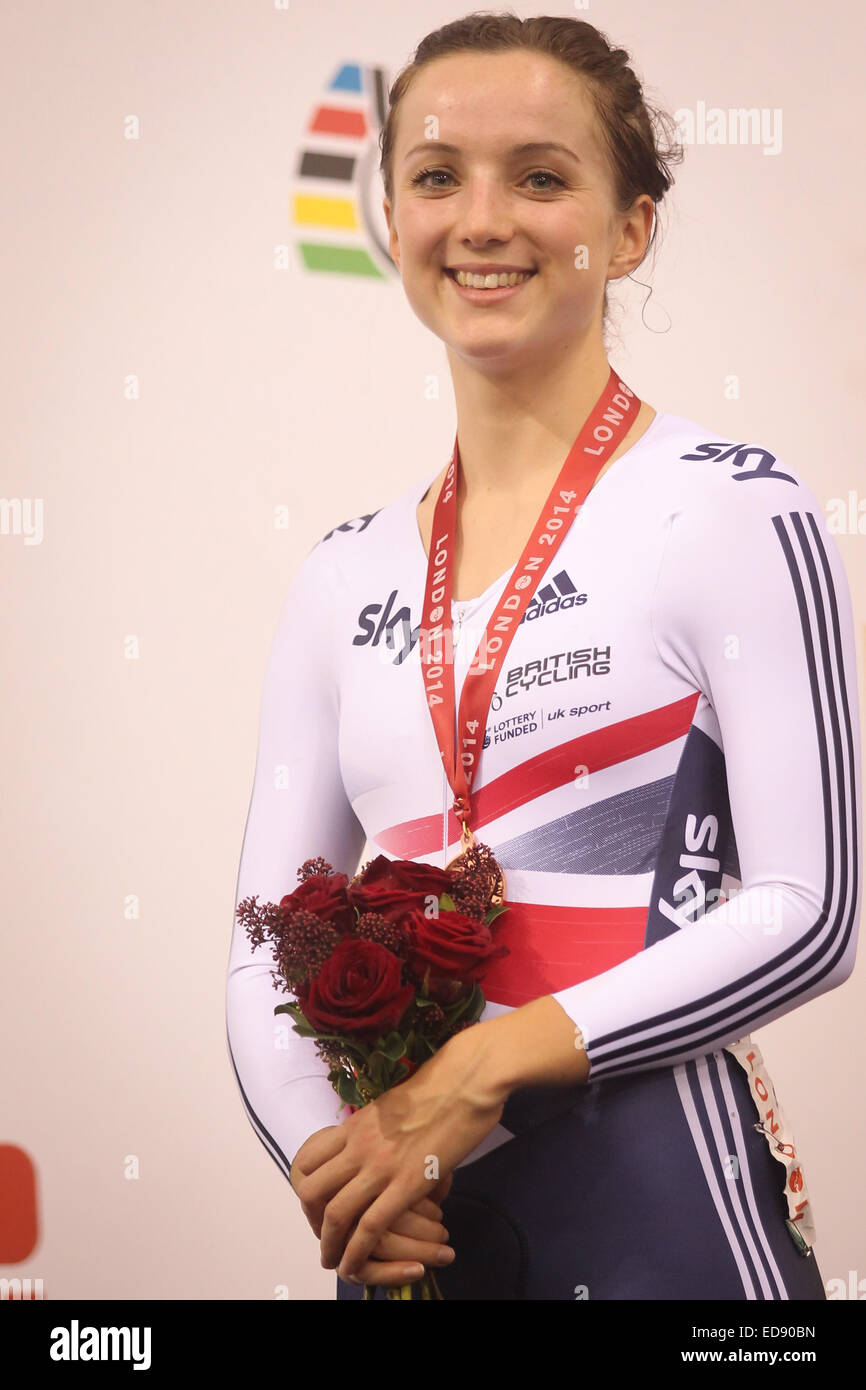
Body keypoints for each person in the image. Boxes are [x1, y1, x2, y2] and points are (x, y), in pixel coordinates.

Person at [225, 13, 861, 1300]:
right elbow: (256, 949)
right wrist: (328, 1156)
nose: (481, 220)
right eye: (436, 174)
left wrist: (482, 1067)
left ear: (626, 229)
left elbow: (812, 911)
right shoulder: (340, 575)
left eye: (539, 175)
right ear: (390, 218)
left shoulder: (732, 509)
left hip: (663, 1217)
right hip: (408, 1227)